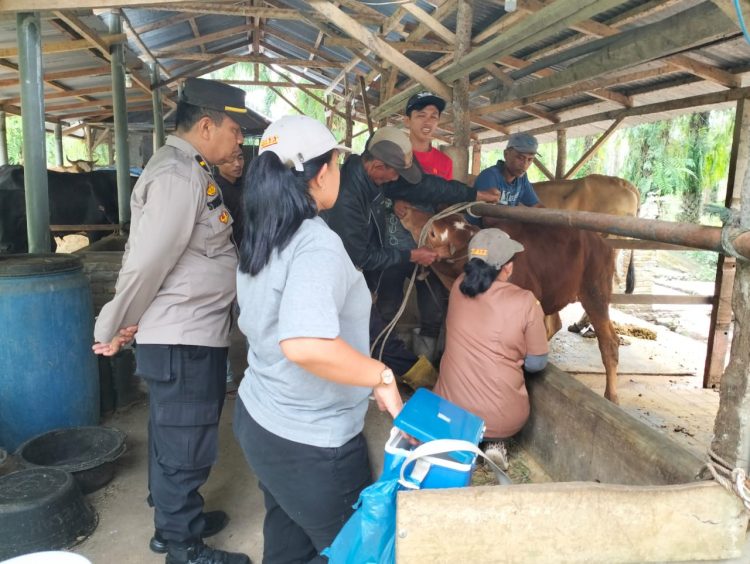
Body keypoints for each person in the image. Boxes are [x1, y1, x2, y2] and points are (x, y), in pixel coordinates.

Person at [92, 77, 251, 564]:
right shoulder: (179, 176)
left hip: (188, 330)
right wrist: (115, 322)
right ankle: (184, 547)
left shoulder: (189, 169)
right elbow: (147, 261)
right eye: (234, 130)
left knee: (173, 433)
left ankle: (175, 518)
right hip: (184, 336)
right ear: (206, 124)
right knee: (186, 439)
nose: (238, 141)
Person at [232, 115, 403, 564]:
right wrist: (380, 376)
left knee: (289, 539)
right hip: (312, 442)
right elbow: (305, 344)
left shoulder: (265, 230)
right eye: (337, 164)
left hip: (261, 417)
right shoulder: (315, 243)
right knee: (357, 551)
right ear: (323, 171)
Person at [322, 126, 500, 378]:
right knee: (374, 331)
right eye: (396, 173)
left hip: (358, 274)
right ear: (377, 167)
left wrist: (473, 193)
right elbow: (362, 256)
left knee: (368, 330)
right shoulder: (348, 197)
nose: (398, 180)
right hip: (347, 274)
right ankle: (424, 379)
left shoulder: (375, 179)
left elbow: (427, 187)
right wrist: (410, 255)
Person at [433, 228, 549, 445]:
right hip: (501, 422)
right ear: (508, 267)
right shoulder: (525, 301)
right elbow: (536, 363)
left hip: (449, 410)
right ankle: (495, 443)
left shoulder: (458, 285)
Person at [380, 92, 454, 361]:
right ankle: (387, 360)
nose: (428, 121)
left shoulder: (444, 163)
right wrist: (392, 202)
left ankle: (424, 366)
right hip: (394, 242)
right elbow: (378, 190)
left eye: (433, 116)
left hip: (429, 243)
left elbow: (444, 204)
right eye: (421, 115)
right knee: (388, 302)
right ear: (407, 120)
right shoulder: (394, 156)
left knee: (433, 306)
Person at [474, 132, 545, 207]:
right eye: (520, 158)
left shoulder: (522, 178)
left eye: (530, 159)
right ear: (506, 154)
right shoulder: (490, 176)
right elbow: (489, 217)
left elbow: (537, 206)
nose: (525, 165)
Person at [215, 144, 246, 245]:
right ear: (217, 162)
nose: (237, 164)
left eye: (240, 158)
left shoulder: (249, 185)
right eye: (230, 159)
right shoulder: (214, 191)